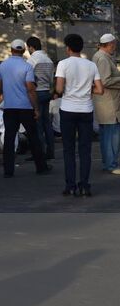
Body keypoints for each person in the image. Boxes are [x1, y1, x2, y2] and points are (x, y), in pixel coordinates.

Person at [56, 33, 103, 197]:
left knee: (68, 150)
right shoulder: (91, 65)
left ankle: (70, 185)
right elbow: (100, 90)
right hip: (86, 110)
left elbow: (59, 89)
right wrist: (86, 90)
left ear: (68, 48)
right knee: (85, 150)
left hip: (68, 109)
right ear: (81, 47)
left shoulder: (63, 64)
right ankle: (85, 185)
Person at [0, 39, 49, 179]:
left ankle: (8, 170)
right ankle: (41, 166)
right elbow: (31, 89)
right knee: (33, 137)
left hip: (9, 107)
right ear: (24, 50)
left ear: (11, 50)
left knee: (9, 138)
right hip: (25, 107)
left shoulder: (3, 66)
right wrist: (36, 108)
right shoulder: (27, 67)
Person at [92, 33, 120, 173]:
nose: (115, 47)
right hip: (109, 102)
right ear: (110, 44)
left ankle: (108, 163)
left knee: (106, 136)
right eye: (114, 44)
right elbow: (105, 81)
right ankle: (111, 164)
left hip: (105, 101)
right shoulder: (103, 58)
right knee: (112, 136)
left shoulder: (100, 56)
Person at [26, 37, 56, 160]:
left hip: (36, 93)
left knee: (37, 124)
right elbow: (51, 79)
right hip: (46, 92)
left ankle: (39, 153)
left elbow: (28, 79)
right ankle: (50, 152)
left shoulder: (31, 60)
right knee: (47, 124)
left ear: (31, 47)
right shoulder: (49, 60)